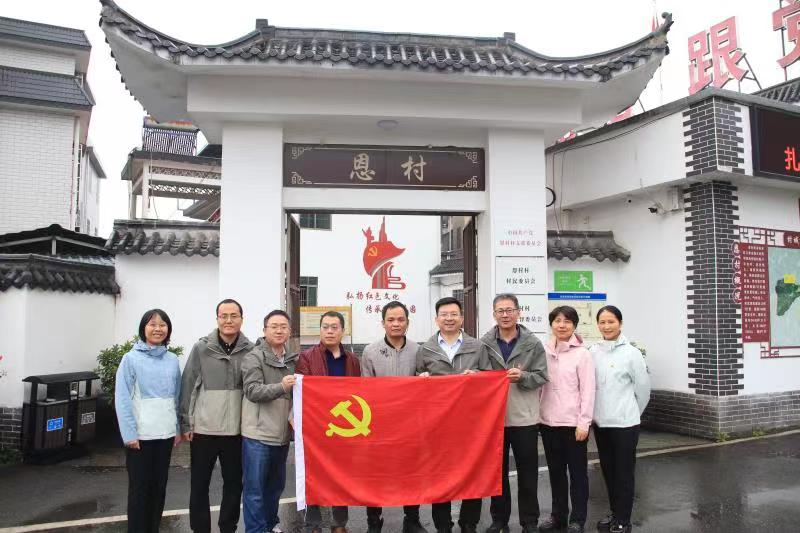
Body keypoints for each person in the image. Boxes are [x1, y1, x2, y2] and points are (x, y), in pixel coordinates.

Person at [179, 299, 255, 533]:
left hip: (237, 431)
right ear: (217, 319)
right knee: (199, 485)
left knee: (234, 485)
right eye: (224, 316)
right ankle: (200, 528)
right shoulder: (201, 348)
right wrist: (186, 423)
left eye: (234, 316)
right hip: (204, 430)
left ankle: (228, 527)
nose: (229, 320)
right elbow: (188, 386)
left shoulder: (251, 350)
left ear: (242, 319)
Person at [416, 296, 488, 533]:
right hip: (438, 424)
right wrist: (420, 379)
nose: (449, 318)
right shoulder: (425, 349)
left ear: (462, 318)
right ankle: (443, 525)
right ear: (436, 319)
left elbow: (490, 378)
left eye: (454, 314)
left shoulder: (477, 346)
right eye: (444, 315)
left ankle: (469, 523)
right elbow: (417, 379)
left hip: (471, 423)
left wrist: (478, 376)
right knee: (439, 475)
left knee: (472, 472)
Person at [481, 294, 548, 533]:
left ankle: (529, 521)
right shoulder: (484, 343)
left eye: (510, 310)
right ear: (494, 314)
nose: (505, 315)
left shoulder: (533, 343)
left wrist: (523, 376)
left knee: (527, 473)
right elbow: (479, 376)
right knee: (497, 473)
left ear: (519, 312)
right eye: (500, 311)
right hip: (494, 419)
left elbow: (542, 376)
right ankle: (499, 519)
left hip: (524, 417)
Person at [361, 301, 429, 533]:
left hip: (410, 424)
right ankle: (374, 520)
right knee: (375, 474)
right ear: (383, 323)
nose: (396, 324)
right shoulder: (370, 351)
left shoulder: (418, 350)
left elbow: (423, 385)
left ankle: (412, 519)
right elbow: (365, 389)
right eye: (391, 320)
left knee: (412, 471)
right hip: (378, 423)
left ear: (408, 323)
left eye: (401, 319)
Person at [115, 308, 181, 533]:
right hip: (140, 438)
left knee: (158, 488)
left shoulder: (172, 360)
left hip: (165, 435)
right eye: (152, 324)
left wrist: (177, 428)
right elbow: (122, 399)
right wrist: (129, 434)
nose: (158, 329)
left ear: (168, 330)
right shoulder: (130, 359)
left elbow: (177, 396)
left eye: (162, 325)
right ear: (143, 328)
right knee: (139, 491)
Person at [296, 310, 361, 533]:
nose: (330, 331)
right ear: (320, 330)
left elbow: (358, 393)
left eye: (335, 327)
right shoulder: (307, 357)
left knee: (341, 476)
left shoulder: (352, 360)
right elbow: (303, 393)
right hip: (316, 426)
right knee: (313, 475)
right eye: (325, 327)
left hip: (344, 427)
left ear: (343, 330)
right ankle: (313, 524)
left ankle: (339, 523)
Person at [590, 306, 650, 533]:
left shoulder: (631, 353)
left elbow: (643, 389)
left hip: (625, 424)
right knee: (608, 471)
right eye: (602, 322)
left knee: (623, 474)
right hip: (602, 424)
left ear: (620, 324)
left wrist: (632, 413)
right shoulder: (593, 351)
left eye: (611, 322)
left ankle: (624, 520)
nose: (606, 326)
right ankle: (615, 513)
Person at [538, 306, 595, 533]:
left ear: (574, 325)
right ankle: (558, 516)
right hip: (548, 423)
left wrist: (584, 422)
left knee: (578, 474)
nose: (562, 325)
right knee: (556, 473)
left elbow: (588, 391)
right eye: (557, 321)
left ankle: (577, 519)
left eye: (567, 321)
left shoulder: (582, 354)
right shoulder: (543, 351)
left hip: (573, 425)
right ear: (551, 324)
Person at [241, 310, 297, 533]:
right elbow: (252, 390)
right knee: (255, 490)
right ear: (264, 330)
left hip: (281, 435)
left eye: (283, 326)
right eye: (274, 326)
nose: (279, 330)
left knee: (274, 488)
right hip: (258, 436)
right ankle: (256, 530)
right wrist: (281, 386)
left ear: (289, 331)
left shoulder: (293, 360)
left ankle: (270, 524)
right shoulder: (253, 357)